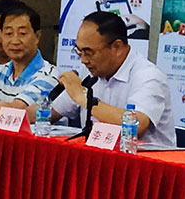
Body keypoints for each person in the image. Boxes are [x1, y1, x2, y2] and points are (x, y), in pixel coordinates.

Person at [45, 11, 175, 147]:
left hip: (143, 158)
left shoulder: (148, 76)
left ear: (117, 47)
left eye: (88, 53)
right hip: (98, 154)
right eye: (79, 51)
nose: (83, 60)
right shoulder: (89, 71)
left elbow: (136, 125)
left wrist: (83, 98)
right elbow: (49, 114)